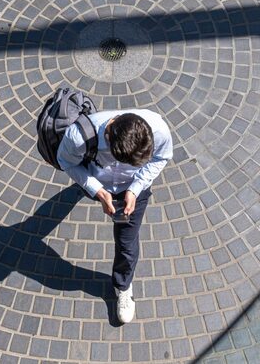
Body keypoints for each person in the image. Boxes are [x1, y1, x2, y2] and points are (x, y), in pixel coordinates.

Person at [57, 109, 173, 324]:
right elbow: (66, 161)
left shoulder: (158, 129)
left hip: (134, 190)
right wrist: (98, 191)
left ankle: (122, 286)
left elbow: (161, 157)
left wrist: (135, 188)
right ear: (109, 143)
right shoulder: (77, 137)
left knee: (126, 242)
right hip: (98, 182)